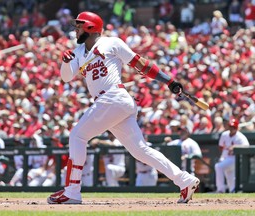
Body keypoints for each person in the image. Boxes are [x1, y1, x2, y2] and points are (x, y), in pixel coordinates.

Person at [47, 11, 200, 204]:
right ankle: (184, 180)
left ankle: (72, 191)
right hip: (113, 103)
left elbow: (140, 64)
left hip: (113, 97)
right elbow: (66, 77)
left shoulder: (111, 42)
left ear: (90, 27)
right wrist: (65, 63)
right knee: (140, 150)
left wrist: (168, 81)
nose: (75, 30)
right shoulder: (78, 53)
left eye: (79, 26)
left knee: (77, 136)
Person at [215, 118, 250, 193]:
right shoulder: (224, 134)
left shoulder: (241, 137)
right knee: (229, 174)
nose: (232, 129)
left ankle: (220, 189)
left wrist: (236, 147)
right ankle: (232, 191)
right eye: (230, 126)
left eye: (233, 127)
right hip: (225, 158)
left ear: (237, 128)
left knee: (218, 167)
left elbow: (247, 147)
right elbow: (220, 147)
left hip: (234, 159)